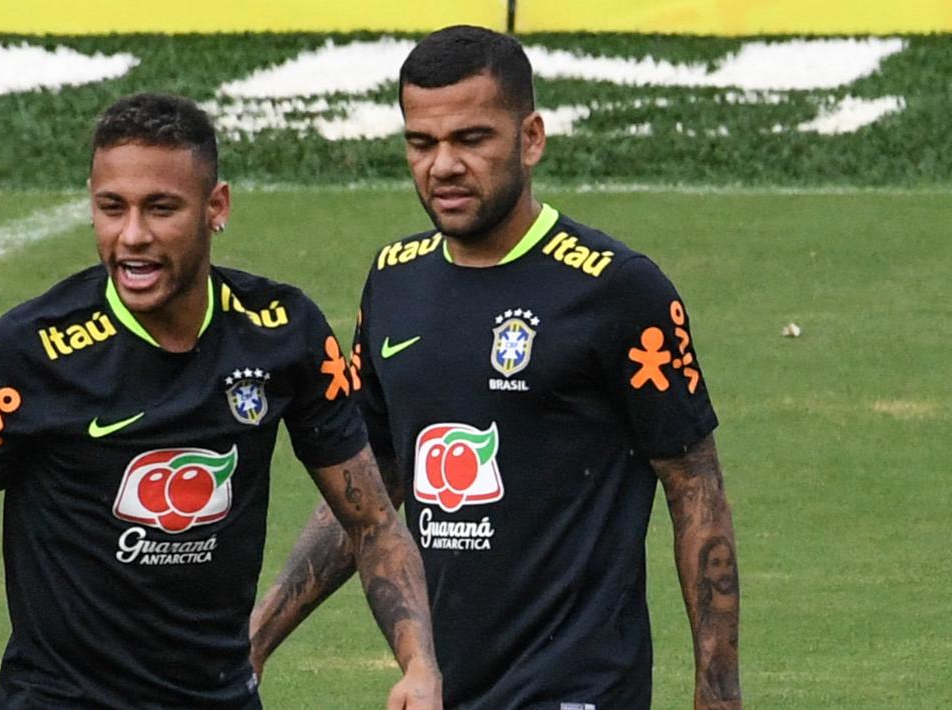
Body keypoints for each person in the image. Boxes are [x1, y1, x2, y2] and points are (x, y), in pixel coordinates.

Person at [0, 93, 441, 710]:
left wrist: (419, 662)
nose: (132, 236)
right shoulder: (21, 358)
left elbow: (371, 524)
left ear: (216, 207)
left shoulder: (283, 333)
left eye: (160, 209)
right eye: (111, 208)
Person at [249, 25, 741, 709]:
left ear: (530, 138)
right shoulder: (394, 282)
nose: (442, 165)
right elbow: (366, 489)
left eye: (470, 139)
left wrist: (717, 696)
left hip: (578, 688)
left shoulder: (615, 290)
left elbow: (695, 491)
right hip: (446, 689)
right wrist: (257, 636)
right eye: (421, 143)